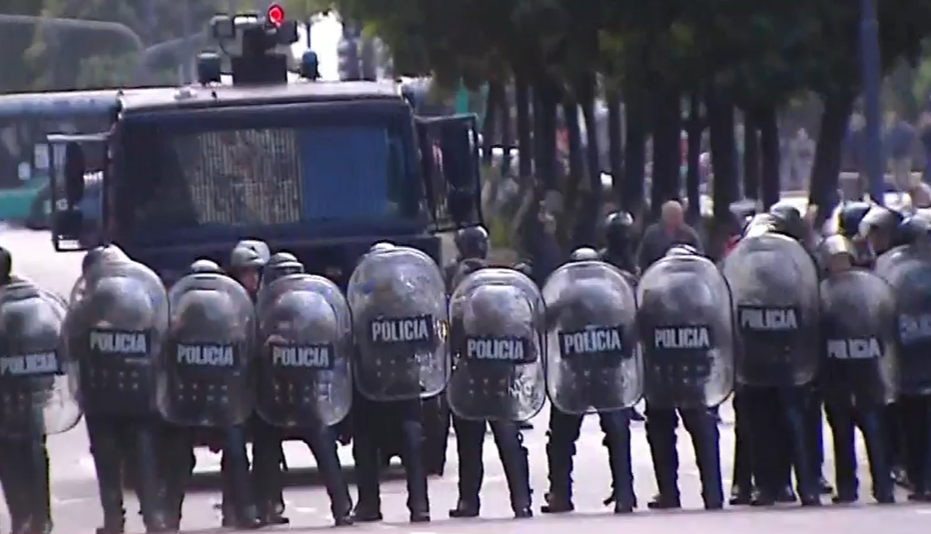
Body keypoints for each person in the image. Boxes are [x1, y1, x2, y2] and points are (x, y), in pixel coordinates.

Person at [68, 245, 169, 534]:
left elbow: (71, 342)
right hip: (139, 392)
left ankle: (114, 520)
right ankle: (154, 518)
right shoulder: (142, 298)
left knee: (107, 458)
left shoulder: (88, 304)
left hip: (100, 394)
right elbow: (160, 339)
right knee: (144, 455)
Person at [254, 258, 354, 526]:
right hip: (307, 396)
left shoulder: (267, 309)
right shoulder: (316, 307)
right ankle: (341, 507)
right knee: (323, 448)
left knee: (265, 448)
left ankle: (266, 505)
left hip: (275, 396)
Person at [348, 246, 444, 523]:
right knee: (408, 443)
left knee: (371, 445)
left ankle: (375, 505)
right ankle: (416, 506)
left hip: (383, 384)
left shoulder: (363, 308)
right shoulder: (369, 308)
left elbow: (434, 341)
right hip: (396, 384)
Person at [541, 247, 637, 515]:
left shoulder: (565, 297)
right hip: (608, 375)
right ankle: (625, 493)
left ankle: (560, 494)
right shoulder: (615, 296)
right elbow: (629, 341)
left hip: (575, 376)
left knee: (561, 437)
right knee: (618, 433)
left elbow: (544, 326)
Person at [638, 245, 726, 511]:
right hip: (691, 378)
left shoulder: (656, 296)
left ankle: (670, 492)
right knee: (701, 432)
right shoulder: (705, 297)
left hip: (664, 377)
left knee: (665, 434)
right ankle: (712, 493)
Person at [447, 258, 534, 519]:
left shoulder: (462, 313)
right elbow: (528, 352)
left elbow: (450, 349)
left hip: (471, 386)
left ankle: (469, 501)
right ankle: (521, 501)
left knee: (471, 446)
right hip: (500, 386)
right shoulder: (511, 313)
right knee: (508, 443)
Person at [818, 235, 895, 504]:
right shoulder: (822, 292)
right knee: (842, 433)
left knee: (874, 430)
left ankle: (884, 486)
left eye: (843, 259)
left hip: (866, 370)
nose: (840, 265)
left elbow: (885, 321)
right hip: (836, 370)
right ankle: (848, 486)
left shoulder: (868, 289)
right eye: (835, 260)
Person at [0, 246, 57, 534]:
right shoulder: (34, 299)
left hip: (7, 398)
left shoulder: (17, 302)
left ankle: (22, 518)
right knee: (35, 452)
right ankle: (41, 517)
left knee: (10, 457)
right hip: (34, 394)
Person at [636, 200, 703, 272]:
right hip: (657, 275)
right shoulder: (652, 234)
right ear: (664, 216)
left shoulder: (689, 234)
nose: (676, 219)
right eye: (672, 216)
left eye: (678, 216)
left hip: (683, 274)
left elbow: (700, 258)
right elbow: (642, 260)